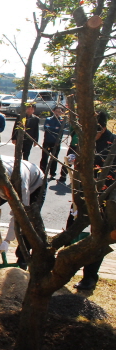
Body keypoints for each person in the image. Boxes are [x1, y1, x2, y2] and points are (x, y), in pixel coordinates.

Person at [0, 157, 45, 270]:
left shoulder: (20, 182)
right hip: (5, 182)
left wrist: (7, 240)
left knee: (29, 219)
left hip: (34, 185)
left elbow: (20, 214)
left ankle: (23, 257)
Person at [70, 115, 115, 290]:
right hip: (83, 195)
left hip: (105, 197)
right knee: (72, 228)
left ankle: (89, 277)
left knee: (98, 236)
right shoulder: (85, 141)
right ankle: (65, 265)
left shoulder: (113, 144)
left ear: (102, 128)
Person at [40, 106, 66, 179]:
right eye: (56, 111)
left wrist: (52, 128)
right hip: (47, 141)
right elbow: (46, 128)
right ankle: (42, 172)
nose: (58, 113)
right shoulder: (48, 119)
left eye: (60, 111)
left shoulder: (62, 121)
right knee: (44, 157)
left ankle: (52, 173)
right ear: (53, 111)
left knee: (54, 158)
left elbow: (61, 131)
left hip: (56, 142)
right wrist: (55, 128)